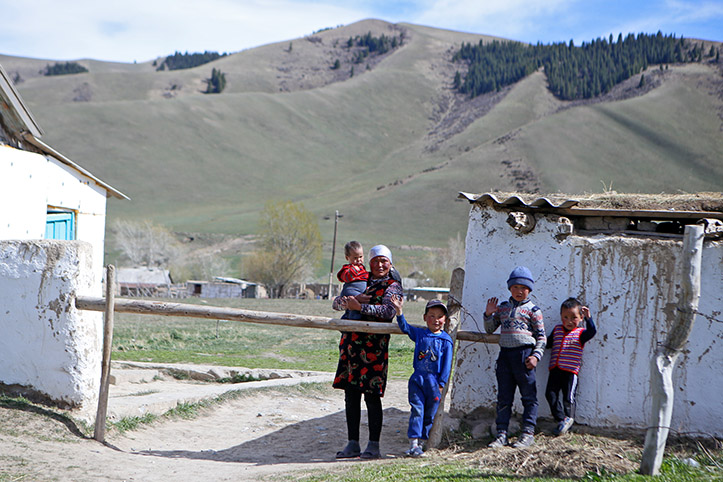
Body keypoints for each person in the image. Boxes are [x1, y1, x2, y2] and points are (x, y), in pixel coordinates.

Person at [332, 244, 403, 460]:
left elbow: (388, 310)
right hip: (352, 346)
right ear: (370, 263)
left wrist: (359, 307)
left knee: (372, 397)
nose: (380, 264)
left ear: (390, 263)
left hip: (374, 349)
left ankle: (374, 445)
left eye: (384, 261)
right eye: (376, 261)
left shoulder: (393, 286)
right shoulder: (360, 281)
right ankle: (352, 443)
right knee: (351, 396)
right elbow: (337, 303)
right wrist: (346, 302)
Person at [484, 266, 545, 448]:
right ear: (510, 288)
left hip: (525, 357)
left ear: (530, 290)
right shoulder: (503, 308)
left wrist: (536, 356)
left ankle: (527, 433)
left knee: (528, 396)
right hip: (505, 357)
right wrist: (488, 314)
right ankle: (501, 434)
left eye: (524, 288)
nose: (520, 291)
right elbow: (489, 329)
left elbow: (541, 336)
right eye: (516, 287)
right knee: (504, 396)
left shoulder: (534, 310)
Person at [391, 296, 454, 457]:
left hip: (434, 383)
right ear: (425, 318)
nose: (435, 320)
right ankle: (413, 444)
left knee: (429, 413)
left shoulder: (445, 340)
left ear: (445, 320)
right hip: (418, 379)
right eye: (431, 316)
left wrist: (441, 384)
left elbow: (447, 365)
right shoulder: (420, 334)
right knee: (417, 409)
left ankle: (422, 442)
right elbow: (405, 327)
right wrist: (399, 312)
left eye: (439, 316)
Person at [545, 297, 597, 436]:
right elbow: (548, 343)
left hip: (570, 371)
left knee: (568, 397)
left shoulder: (580, 334)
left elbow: (592, 332)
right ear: (561, 316)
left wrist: (589, 319)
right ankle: (561, 419)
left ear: (580, 318)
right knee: (550, 394)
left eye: (573, 317)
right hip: (555, 370)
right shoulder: (556, 330)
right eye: (565, 317)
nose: (569, 321)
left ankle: (569, 417)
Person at [336, 241, 368, 320]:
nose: (359, 260)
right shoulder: (347, 268)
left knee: (354, 310)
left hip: (360, 293)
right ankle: (351, 324)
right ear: (347, 258)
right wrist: (354, 269)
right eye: (355, 258)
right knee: (353, 310)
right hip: (351, 292)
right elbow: (346, 277)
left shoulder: (363, 269)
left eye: (360, 257)